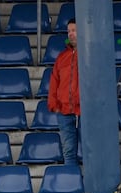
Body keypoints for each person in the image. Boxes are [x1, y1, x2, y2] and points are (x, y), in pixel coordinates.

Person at [47, 18, 80, 166]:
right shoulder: (61, 57)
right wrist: (54, 105)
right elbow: (54, 82)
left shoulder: (91, 55)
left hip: (85, 112)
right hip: (64, 112)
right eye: (69, 31)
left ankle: (91, 187)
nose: (71, 34)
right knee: (68, 151)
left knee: (89, 151)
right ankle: (71, 184)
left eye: (74, 30)